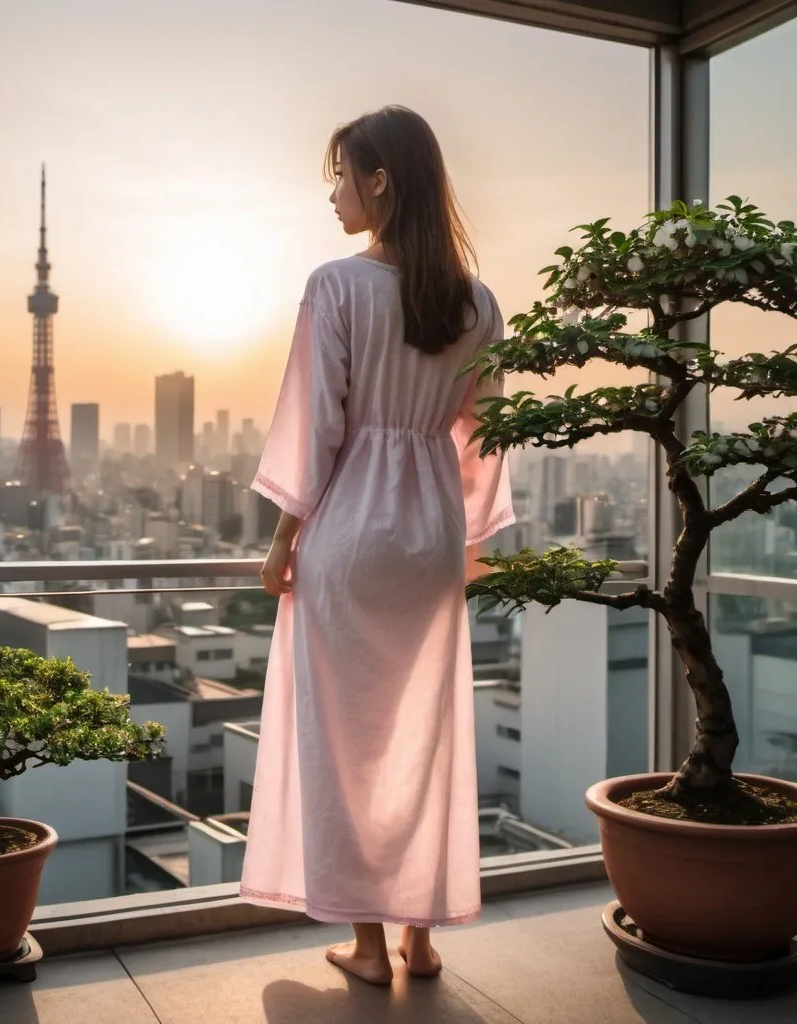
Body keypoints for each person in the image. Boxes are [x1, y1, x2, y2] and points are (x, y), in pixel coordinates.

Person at [238, 105, 515, 986]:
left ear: (380, 180)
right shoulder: (477, 303)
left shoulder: (336, 287)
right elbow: (483, 435)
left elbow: (317, 430)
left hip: (351, 534)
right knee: (423, 737)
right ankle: (422, 940)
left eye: (342, 175)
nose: (333, 194)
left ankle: (366, 944)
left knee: (346, 744)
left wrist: (282, 542)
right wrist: (462, 540)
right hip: (430, 536)